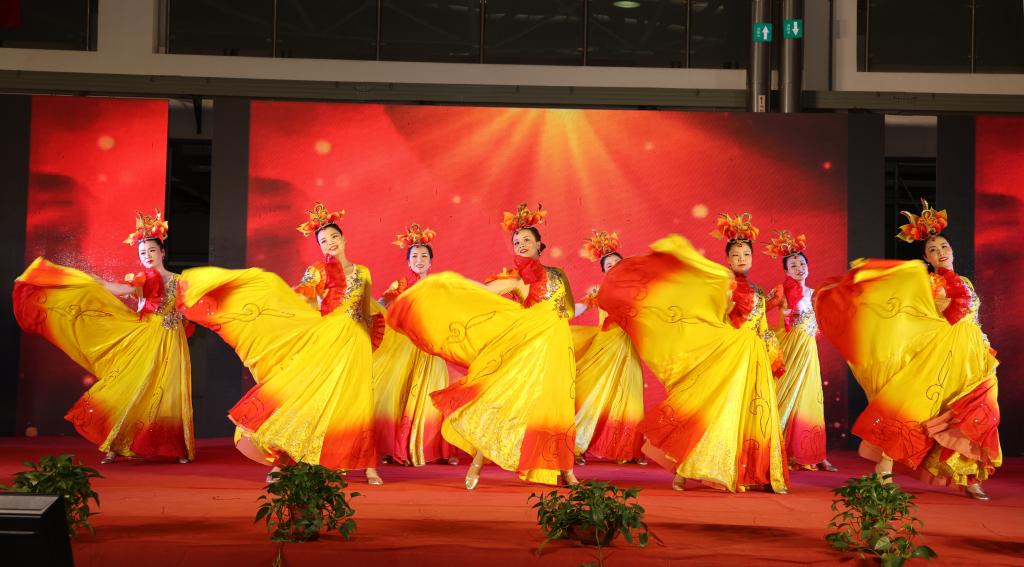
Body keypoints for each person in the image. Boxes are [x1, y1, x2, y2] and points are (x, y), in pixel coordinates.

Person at [177, 203, 383, 484]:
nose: (330, 243)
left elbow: (366, 309)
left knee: (357, 401)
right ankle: (283, 460)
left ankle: (369, 466)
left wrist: (372, 338)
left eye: (334, 237)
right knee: (303, 395)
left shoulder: (363, 272)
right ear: (320, 247)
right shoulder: (317, 271)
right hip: (327, 338)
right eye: (324, 240)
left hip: (356, 342)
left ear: (344, 239)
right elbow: (302, 300)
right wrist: (279, 296)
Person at [815, 200, 1000, 499]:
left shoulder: (965, 282)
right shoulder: (925, 284)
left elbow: (973, 318)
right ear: (926, 258)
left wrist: (985, 345)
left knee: (974, 417)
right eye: (933, 250)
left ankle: (969, 478)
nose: (940, 252)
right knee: (911, 412)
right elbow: (908, 315)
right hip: (939, 357)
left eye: (944, 247)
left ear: (952, 250)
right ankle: (883, 471)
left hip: (973, 359)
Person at [386, 203, 578, 489]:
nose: (521, 244)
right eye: (517, 241)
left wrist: (546, 320)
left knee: (560, 405)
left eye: (527, 240)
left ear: (540, 244)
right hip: (528, 351)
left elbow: (569, 310)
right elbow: (482, 292)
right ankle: (476, 464)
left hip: (558, 346)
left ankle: (566, 470)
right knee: (504, 402)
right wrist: (451, 286)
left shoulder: (558, 274)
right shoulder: (515, 278)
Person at [597, 213, 788, 493]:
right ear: (728, 259)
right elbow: (707, 317)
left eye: (747, 254)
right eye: (736, 255)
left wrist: (772, 353)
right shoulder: (721, 285)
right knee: (710, 412)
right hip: (726, 356)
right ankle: (684, 471)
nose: (742, 259)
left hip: (753, 359)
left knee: (753, 415)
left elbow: (762, 327)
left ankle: (757, 474)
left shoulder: (758, 292)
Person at [13, 210, 194, 464]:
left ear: (162, 252)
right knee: (132, 388)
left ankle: (178, 447)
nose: (147, 255)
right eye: (143, 252)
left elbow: (189, 310)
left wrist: (184, 319)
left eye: (152, 250)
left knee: (170, 391)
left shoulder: (180, 281)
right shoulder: (141, 280)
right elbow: (117, 289)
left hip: (173, 341)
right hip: (146, 340)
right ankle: (115, 443)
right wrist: (91, 280)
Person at [373, 224, 457, 466]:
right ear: (408, 262)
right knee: (397, 393)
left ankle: (437, 450)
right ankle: (392, 447)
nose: (419, 260)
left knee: (433, 395)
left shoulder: (439, 286)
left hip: (430, 347)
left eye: (424, 256)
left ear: (431, 262)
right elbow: (382, 304)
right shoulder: (399, 286)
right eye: (415, 257)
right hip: (406, 347)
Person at [763, 230, 837, 473]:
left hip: (808, 351)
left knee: (811, 400)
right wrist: (782, 318)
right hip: (789, 349)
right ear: (786, 271)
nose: (799, 268)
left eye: (802, 264)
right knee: (782, 395)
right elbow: (760, 310)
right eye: (793, 265)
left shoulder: (814, 294)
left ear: (808, 267)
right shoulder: (781, 291)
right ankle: (770, 449)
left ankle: (814, 453)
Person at [570, 230, 645, 465]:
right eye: (609, 265)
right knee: (594, 395)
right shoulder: (598, 292)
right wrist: (555, 315)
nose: (614, 267)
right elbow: (578, 309)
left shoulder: (637, 294)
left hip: (628, 349)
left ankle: (628, 450)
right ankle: (575, 446)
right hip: (605, 349)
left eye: (617, 263)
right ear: (603, 271)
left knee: (630, 398)